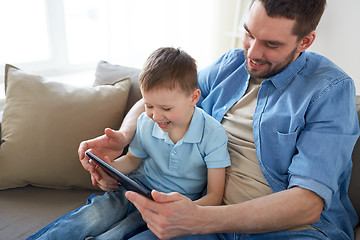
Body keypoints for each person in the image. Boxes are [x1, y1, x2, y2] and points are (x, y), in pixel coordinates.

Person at [79, 0, 360, 239]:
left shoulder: (330, 89)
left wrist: (199, 218)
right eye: (249, 34)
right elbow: (158, 99)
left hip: (292, 230)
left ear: (305, 41)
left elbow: (307, 203)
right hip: (206, 218)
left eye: (271, 44)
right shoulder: (231, 64)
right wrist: (123, 137)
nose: (252, 53)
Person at [27, 47, 231, 240]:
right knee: (90, 217)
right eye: (149, 105)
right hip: (134, 188)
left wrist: (186, 211)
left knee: (113, 236)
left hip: (168, 208)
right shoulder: (145, 121)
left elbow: (214, 196)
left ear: (193, 97)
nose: (156, 116)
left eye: (166, 108)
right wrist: (107, 168)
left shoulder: (212, 134)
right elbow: (133, 159)